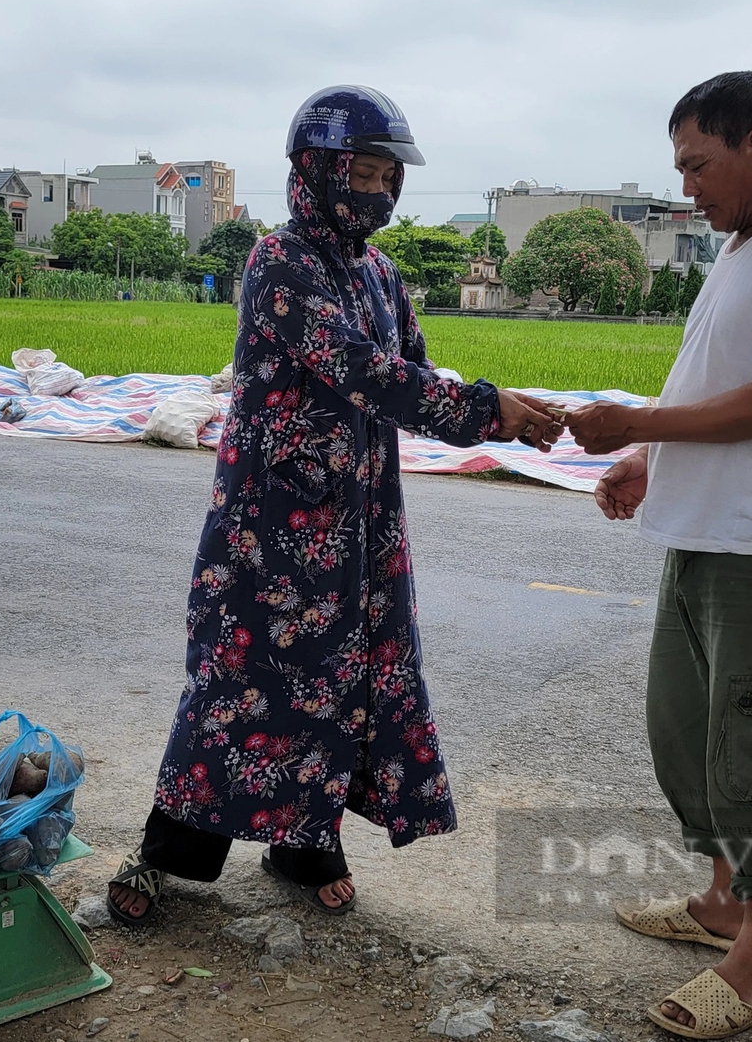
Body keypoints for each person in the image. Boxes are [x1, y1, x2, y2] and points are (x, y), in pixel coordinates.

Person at [108, 85, 562, 924]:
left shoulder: (383, 275)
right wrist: (484, 410)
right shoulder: (277, 262)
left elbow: (413, 378)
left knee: (338, 678)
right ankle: (167, 851)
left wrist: (496, 404)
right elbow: (359, 368)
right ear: (317, 169)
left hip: (358, 521)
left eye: (392, 175)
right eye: (364, 170)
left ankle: (306, 843)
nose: (381, 191)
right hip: (271, 524)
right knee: (233, 680)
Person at [562, 71, 752, 1039]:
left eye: (695, 165)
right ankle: (720, 905)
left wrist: (630, 423)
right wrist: (651, 457)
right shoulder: (742, 245)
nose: (686, 187)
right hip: (704, 526)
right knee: (689, 732)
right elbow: (717, 377)